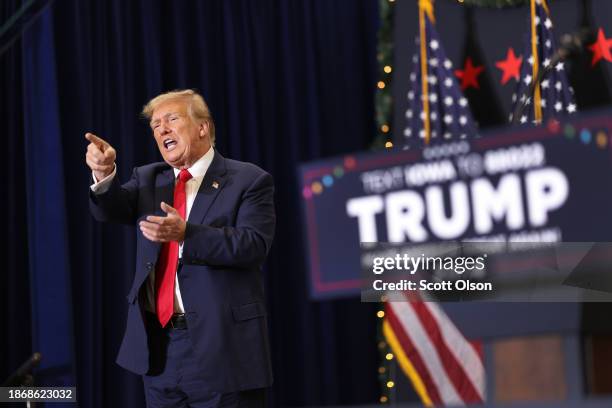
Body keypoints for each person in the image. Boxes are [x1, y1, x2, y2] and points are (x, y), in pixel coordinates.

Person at [85, 89, 275, 407]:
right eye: (156, 125)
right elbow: (110, 209)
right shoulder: (149, 179)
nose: (162, 129)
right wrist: (104, 174)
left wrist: (187, 233)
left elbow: (253, 245)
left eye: (172, 119)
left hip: (223, 347)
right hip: (160, 350)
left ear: (203, 127)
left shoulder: (248, 180)